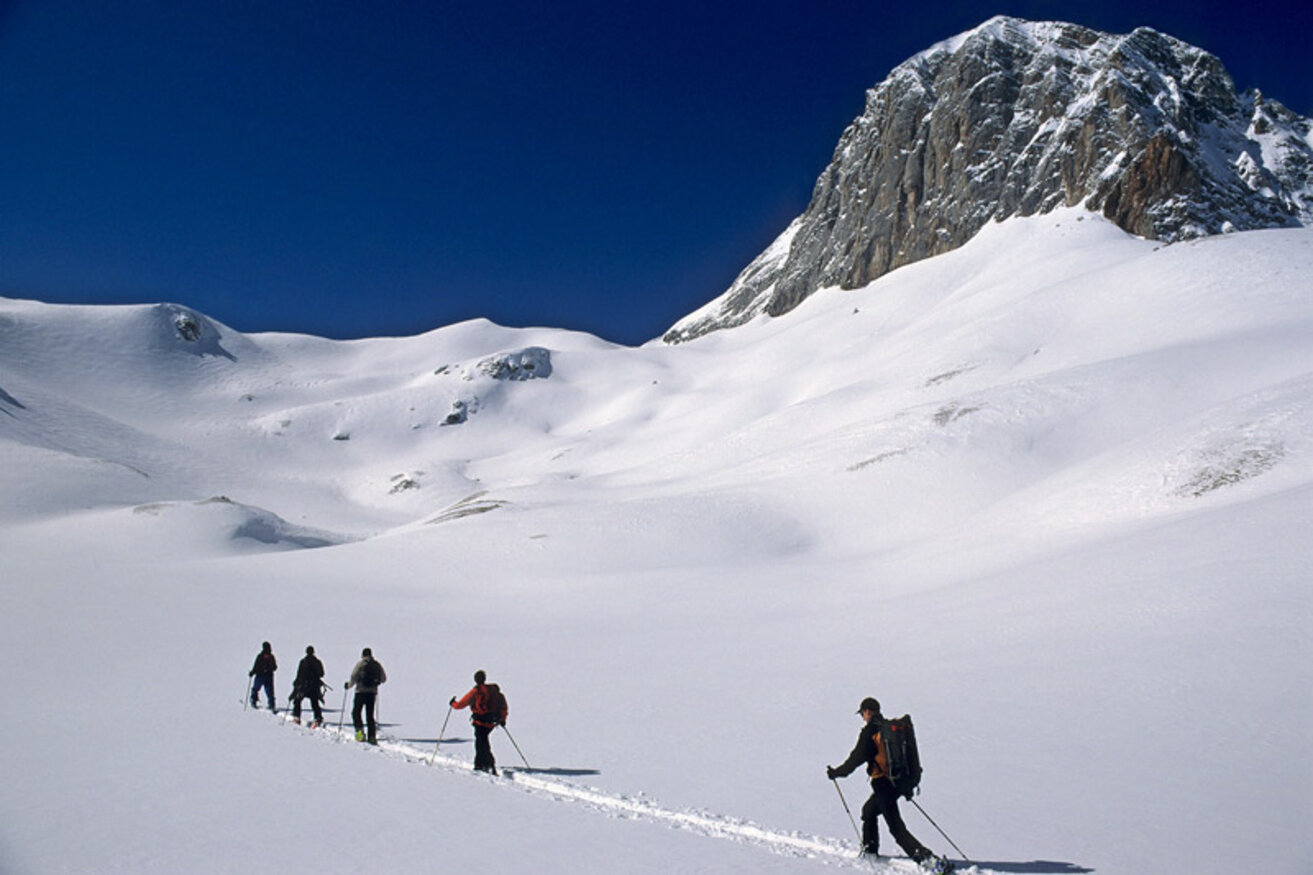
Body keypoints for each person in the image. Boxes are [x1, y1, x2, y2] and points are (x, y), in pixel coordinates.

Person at [827, 697, 945, 869]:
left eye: (862, 713)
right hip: (897, 783)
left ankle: (929, 861)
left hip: (884, 785)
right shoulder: (887, 729)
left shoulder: (871, 732)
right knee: (868, 812)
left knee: (896, 827)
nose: (863, 717)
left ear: (868, 711)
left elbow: (856, 758)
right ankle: (870, 851)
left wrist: (838, 772)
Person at [450, 670, 507, 774]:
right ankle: (483, 764)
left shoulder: (476, 692)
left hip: (480, 722)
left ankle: (485, 764)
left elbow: (461, 704)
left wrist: (453, 703)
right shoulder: (494, 691)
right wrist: (502, 720)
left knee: (481, 743)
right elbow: (503, 707)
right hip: (491, 722)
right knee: (482, 741)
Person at [345, 647, 386, 744]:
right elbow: (384, 678)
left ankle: (360, 733)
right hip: (372, 693)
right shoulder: (377, 665)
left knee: (356, 712)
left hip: (360, 692)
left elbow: (353, 677)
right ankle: (372, 736)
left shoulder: (360, 664)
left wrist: (348, 685)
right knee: (370, 715)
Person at [290, 645, 325, 726]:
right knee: (314, 702)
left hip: (304, 686)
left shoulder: (303, 662)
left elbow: (299, 674)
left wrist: (296, 683)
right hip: (314, 686)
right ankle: (318, 718)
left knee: (297, 700)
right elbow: (322, 673)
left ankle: (296, 717)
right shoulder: (317, 662)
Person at [248, 641, 277, 711]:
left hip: (260, 676)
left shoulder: (260, 656)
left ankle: (253, 701)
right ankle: (272, 704)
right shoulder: (271, 657)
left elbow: (256, 666)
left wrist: (252, 672)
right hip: (269, 676)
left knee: (255, 689)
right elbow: (275, 667)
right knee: (270, 691)